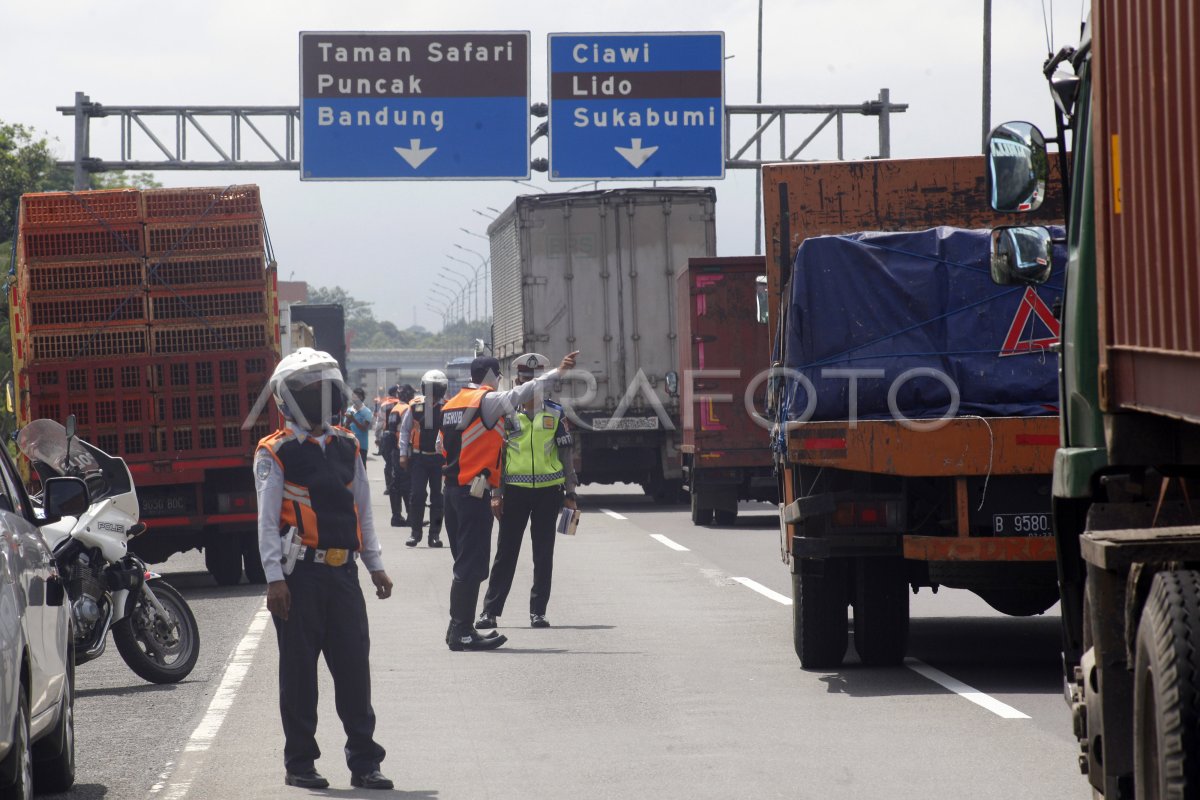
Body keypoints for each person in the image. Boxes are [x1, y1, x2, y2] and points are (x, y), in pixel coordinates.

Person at [253, 348, 394, 791]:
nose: (322, 395)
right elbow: (266, 519)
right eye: (311, 389)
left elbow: (363, 512)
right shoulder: (275, 452)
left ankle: (365, 762)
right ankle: (300, 763)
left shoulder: (347, 444)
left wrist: (375, 566)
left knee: (354, 668)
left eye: (326, 387)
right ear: (289, 398)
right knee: (299, 673)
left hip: (343, 575)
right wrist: (275, 578)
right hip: (300, 578)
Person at [439, 350, 578, 651]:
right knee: (472, 565)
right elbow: (522, 392)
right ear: (493, 377)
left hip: (452, 489)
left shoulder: (452, 403)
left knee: (467, 562)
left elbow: (442, 444)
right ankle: (463, 630)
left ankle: (458, 627)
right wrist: (558, 372)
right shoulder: (486, 401)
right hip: (474, 491)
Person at [476, 353, 578, 630]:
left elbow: (566, 454)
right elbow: (497, 455)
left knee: (543, 554)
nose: (530, 382)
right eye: (524, 378)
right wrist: (496, 493)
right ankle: (490, 612)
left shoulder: (556, 412)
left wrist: (570, 493)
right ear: (518, 380)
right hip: (515, 494)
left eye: (535, 378)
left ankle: (538, 612)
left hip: (548, 493)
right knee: (505, 553)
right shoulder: (505, 413)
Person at [398, 370, 447, 548]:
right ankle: (415, 533)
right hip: (419, 458)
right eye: (429, 388)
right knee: (417, 495)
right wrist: (403, 453)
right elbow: (404, 430)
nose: (432, 393)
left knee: (438, 497)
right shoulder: (414, 406)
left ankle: (434, 535)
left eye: (436, 389)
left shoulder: (448, 407)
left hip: (440, 460)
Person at [385, 385, 415, 526]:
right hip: (403, 450)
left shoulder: (395, 408)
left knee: (396, 483)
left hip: (394, 450)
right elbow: (406, 431)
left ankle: (397, 516)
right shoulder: (407, 409)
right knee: (406, 484)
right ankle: (410, 517)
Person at [376, 386, 402, 495]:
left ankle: (389, 487)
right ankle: (399, 486)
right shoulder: (403, 404)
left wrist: (378, 438)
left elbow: (380, 423)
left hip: (387, 436)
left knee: (388, 463)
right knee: (400, 463)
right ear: (396, 393)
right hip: (400, 436)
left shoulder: (384, 405)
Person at [343, 388, 374, 466]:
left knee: (362, 468)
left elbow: (364, 428)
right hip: (349, 444)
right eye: (354, 396)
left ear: (362, 398)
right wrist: (347, 422)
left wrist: (353, 420)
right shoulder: (349, 410)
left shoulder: (367, 412)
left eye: (358, 396)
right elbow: (344, 428)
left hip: (362, 446)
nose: (355, 398)